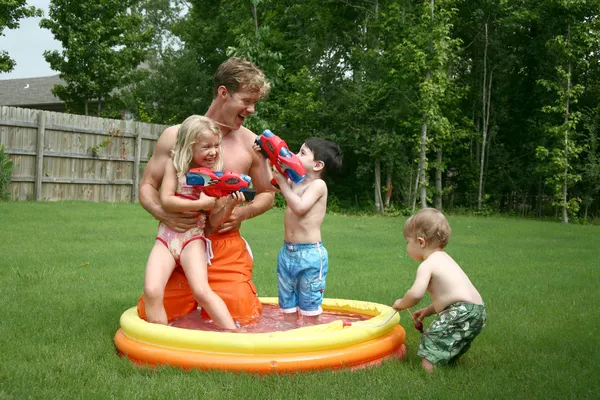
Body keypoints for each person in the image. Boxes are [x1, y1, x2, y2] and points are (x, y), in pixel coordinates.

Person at [137, 57, 275, 325]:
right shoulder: (175, 136)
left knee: (242, 316)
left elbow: (267, 194)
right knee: (154, 311)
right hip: (179, 241)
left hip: (224, 244)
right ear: (223, 93)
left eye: (255, 102)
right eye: (247, 101)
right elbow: (147, 186)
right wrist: (161, 213)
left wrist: (244, 212)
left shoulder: (251, 143)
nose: (252, 109)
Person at [143, 115, 244, 329]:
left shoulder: (215, 176)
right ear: (189, 146)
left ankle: (235, 336)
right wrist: (200, 203)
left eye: (216, 146)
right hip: (166, 237)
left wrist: (229, 205)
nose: (213, 152)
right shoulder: (175, 166)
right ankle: (160, 342)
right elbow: (167, 200)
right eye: (206, 147)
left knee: (201, 291)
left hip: (192, 238)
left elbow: (213, 222)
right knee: (152, 290)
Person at [255, 138, 342, 323]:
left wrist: (284, 183)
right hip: (287, 252)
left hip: (310, 254)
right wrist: (262, 159)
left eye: (302, 153)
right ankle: (290, 343)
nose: (294, 155)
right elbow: (266, 185)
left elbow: (300, 207)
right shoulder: (294, 180)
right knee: (287, 307)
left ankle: (311, 342)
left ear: (318, 165)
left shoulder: (318, 185)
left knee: (310, 308)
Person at [392, 208, 486, 372]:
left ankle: (429, 372)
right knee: (451, 337)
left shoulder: (427, 265)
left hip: (461, 311)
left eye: (408, 242)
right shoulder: (446, 259)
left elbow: (415, 295)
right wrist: (429, 310)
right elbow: (450, 296)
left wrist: (401, 304)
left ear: (421, 242)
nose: (407, 246)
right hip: (478, 310)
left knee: (433, 338)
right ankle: (447, 362)